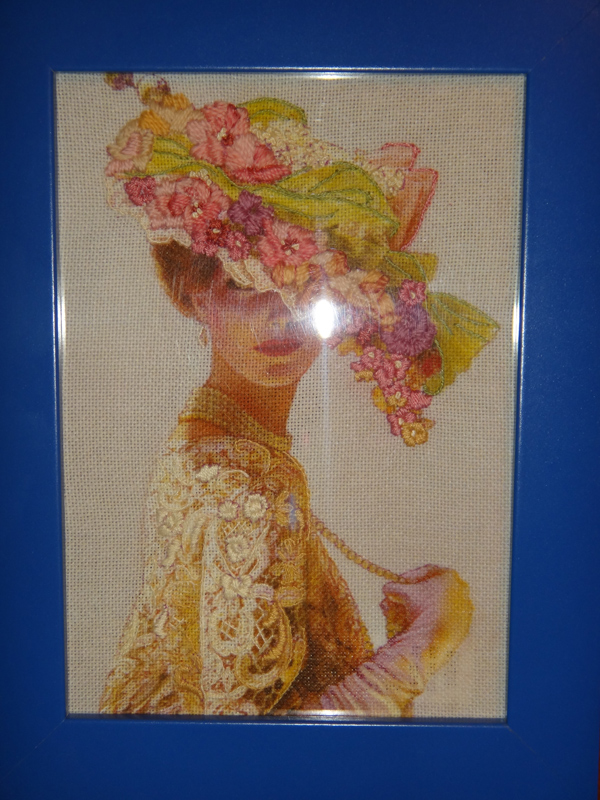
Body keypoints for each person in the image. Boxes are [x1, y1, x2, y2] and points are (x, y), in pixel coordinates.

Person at [100, 75, 495, 716]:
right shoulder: (245, 490)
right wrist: (423, 646)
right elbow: (252, 751)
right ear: (193, 294)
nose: (281, 316)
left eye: (306, 287)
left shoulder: (215, 449)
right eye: (244, 285)